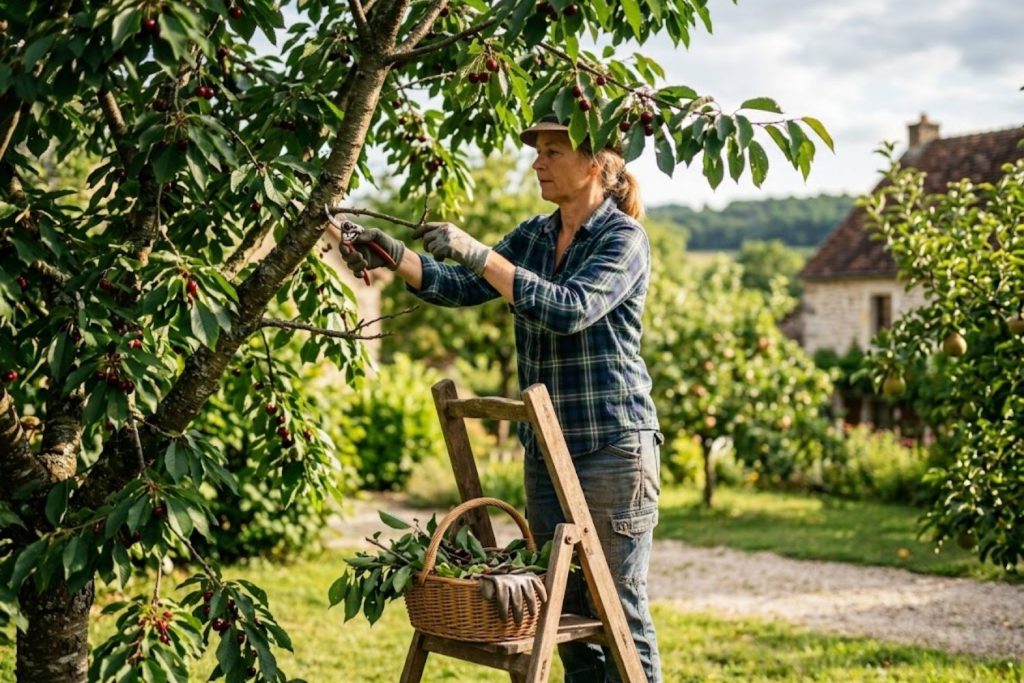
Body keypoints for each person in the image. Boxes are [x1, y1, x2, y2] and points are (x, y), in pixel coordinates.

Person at [328, 115, 663, 683]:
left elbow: (569, 308)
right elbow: (460, 285)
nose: (538, 162)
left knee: (618, 610)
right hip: (547, 452)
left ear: (596, 164)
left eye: (553, 151)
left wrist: (479, 253)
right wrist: (392, 253)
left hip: (611, 449)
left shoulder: (622, 239)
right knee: (564, 606)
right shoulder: (533, 237)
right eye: (538, 151)